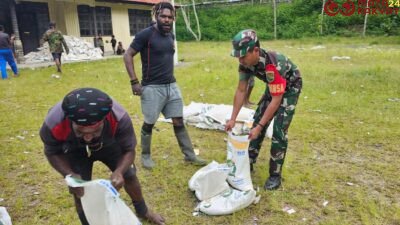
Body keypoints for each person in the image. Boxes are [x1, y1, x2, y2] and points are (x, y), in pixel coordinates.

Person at [39, 88, 165, 225]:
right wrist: (69, 174)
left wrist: (119, 172)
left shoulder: (119, 117)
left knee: (129, 174)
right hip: (74, 149)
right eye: (81, 132)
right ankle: (87, 222)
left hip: (108, 144)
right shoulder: (54, 122)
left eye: (94, 132)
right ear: (71, 122)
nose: (87, 138)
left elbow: (129, 150)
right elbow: (52, 152)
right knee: (79, 189)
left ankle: (143, 211)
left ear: (104, 121)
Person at [123, 1, 206, 169]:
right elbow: (128, 55)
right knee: (149, 123)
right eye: (163, 16)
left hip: (171, 86)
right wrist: (134, 81)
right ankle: (145, 156)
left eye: (170, 17)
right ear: (156, 16)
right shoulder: (146, 35)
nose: (167, 20)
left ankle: (190, 155)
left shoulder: (171, 36)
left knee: (178, 121)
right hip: (152, 88)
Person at [225, 29, 302, 190]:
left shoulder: (272, 65)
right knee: (257, 122)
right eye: (238, 55)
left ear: (256, 51)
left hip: (290, 88)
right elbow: (241, 90)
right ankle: (249, 161)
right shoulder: (245, 63)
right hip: (274, 87)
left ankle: (275, 175)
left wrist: (261, 127)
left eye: (243, 55)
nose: (240, 59)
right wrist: (232, 118)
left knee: (278, 131)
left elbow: (277, 100)